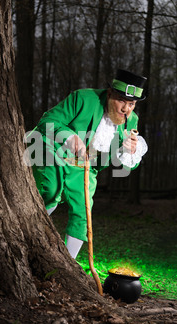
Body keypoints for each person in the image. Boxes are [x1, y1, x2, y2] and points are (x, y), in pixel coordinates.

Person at [25, 69, 148, 259]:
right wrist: (69, 137)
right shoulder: (83, 98)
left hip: (85, 167)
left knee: (83, 213)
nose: (126, 109)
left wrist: (129, 150)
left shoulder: (131, 121)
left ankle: (67, 264)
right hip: (53, 151)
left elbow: (127, 165)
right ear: (109, 94)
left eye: (131, 103)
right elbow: (48, 120)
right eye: (121, 101)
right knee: (50, 190)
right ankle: (26, 235)